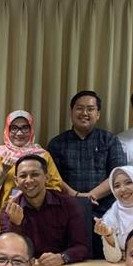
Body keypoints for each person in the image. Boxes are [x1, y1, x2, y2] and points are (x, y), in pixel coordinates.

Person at [46, 91, 126, 255]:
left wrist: (90, 196)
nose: (84, 113)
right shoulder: (57, 143)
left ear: (98, 114)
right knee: (71, 256)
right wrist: (76, 196)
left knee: (105, 257)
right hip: (68, 211)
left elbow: (117, 174)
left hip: (105, 211)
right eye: (79, 108)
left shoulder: (110, 140)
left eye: (90, 109)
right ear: (71, 112)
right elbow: (53, 178)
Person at [0, 110, 63, 240]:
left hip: (37, 217)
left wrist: (31, 194)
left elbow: (56, 187)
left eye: (25, 128)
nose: (19, 133)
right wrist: (2, 172)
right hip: (1, 218)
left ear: (31, 130)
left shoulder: (43, 156)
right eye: (14, 128)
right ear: (7, 130)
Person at [0, 154, 90, 266]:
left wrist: (62, 257)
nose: (29, 180)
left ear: (47, 177)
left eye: (35, 174)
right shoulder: (9, 209)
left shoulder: (68, 204)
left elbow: (82, 246)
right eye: (23, 176)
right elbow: (6, 250)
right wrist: (15, 224)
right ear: (16, 181)